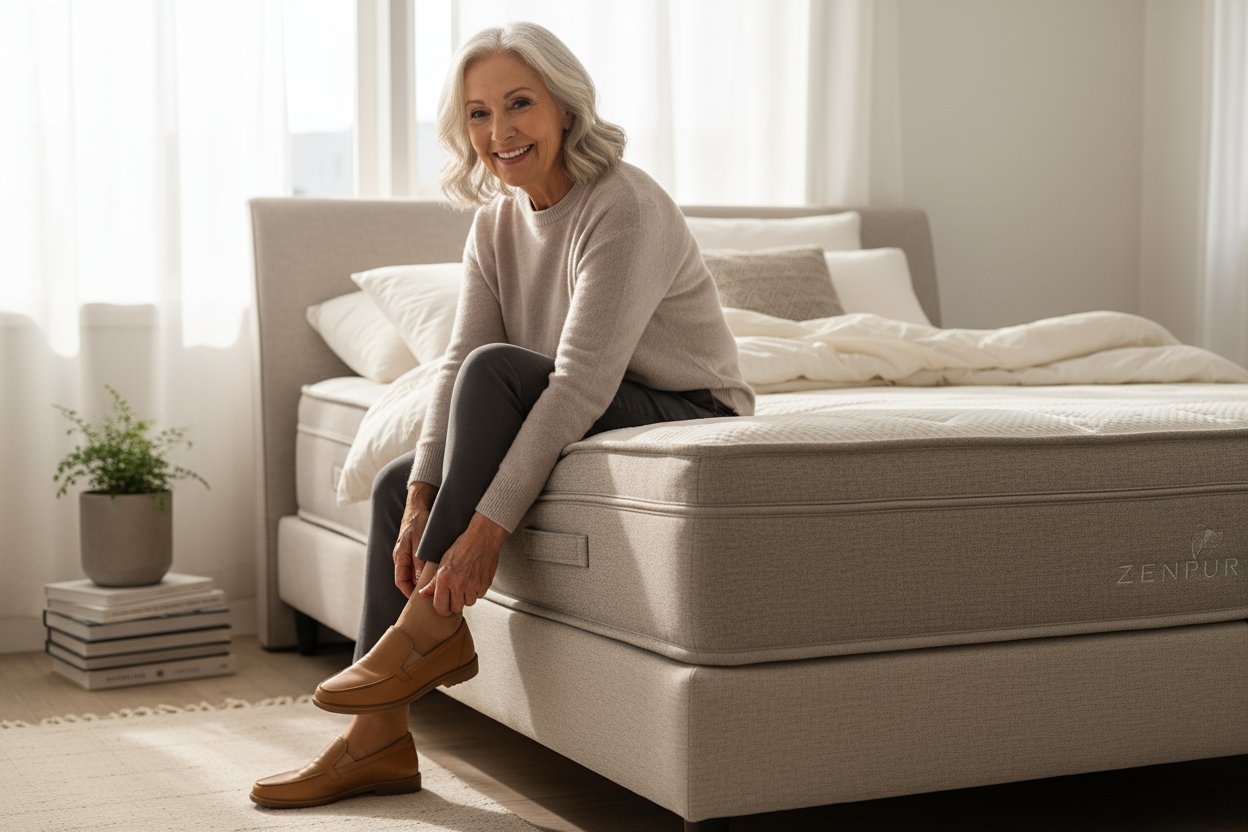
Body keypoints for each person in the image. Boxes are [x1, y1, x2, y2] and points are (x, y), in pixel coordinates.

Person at [250, 21, 754, 809]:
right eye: (479, 114)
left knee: (499, 372)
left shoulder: (623, 203)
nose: (500, 131)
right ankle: (376, 745)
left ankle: (428, 632)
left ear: (564, 106)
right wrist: (421, 495)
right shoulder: (495, 222)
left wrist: (483, 535)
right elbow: (452, 365)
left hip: (683, 399)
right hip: (584, 393)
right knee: (390, 485)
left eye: (519, 104)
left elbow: (581, 385)